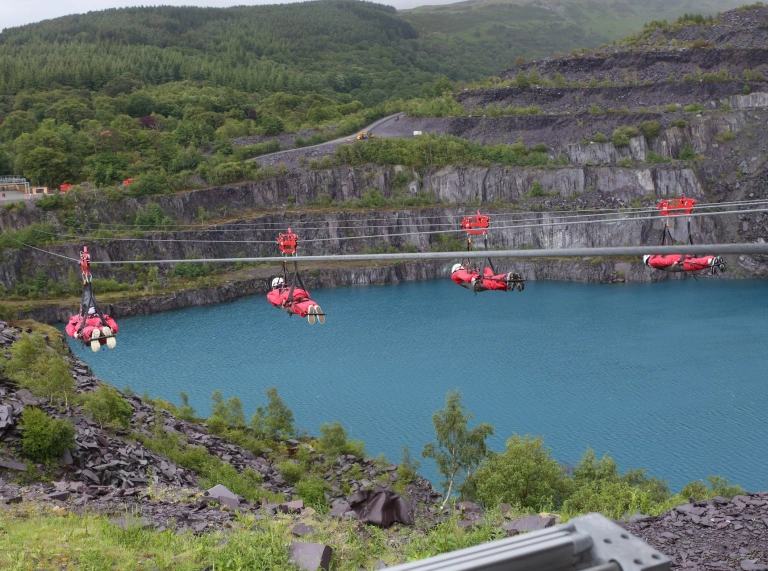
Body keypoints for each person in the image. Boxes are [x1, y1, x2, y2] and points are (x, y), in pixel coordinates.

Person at [451, 263, 523, 292]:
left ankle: (509, 281)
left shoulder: (466, 271)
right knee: (491, 282)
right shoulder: (456, 273)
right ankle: (506, 279)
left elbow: (486, 269)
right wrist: (474, 276)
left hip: (479, 280)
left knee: (492, 281)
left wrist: (478, 270)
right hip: (476, 283)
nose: (464, 267)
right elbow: (466, 277)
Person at [643, 254, 725, 274]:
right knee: (696, 265)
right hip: (681, 259)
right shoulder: (658, 257)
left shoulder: (652, 261)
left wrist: (675, 263)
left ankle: (711, 260)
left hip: (680, 262)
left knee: (695, 264)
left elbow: (666, 261)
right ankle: (714, 261)